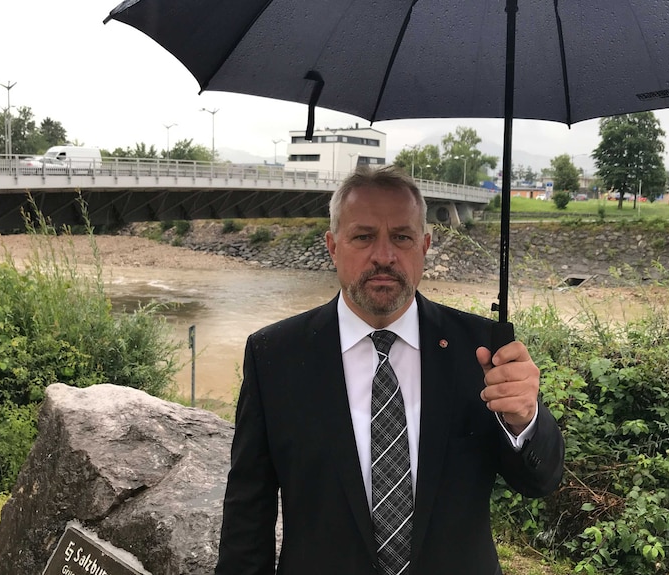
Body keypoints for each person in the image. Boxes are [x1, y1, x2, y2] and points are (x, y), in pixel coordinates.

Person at [215, 165, 565, 575]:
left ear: (425, 246)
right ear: (332, 245)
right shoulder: (274, 355)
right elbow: (247, 512)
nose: (383, 256)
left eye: (401, 237)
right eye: (363, 237)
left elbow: (540, 482)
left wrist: (525, 420)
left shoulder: (483, 350)